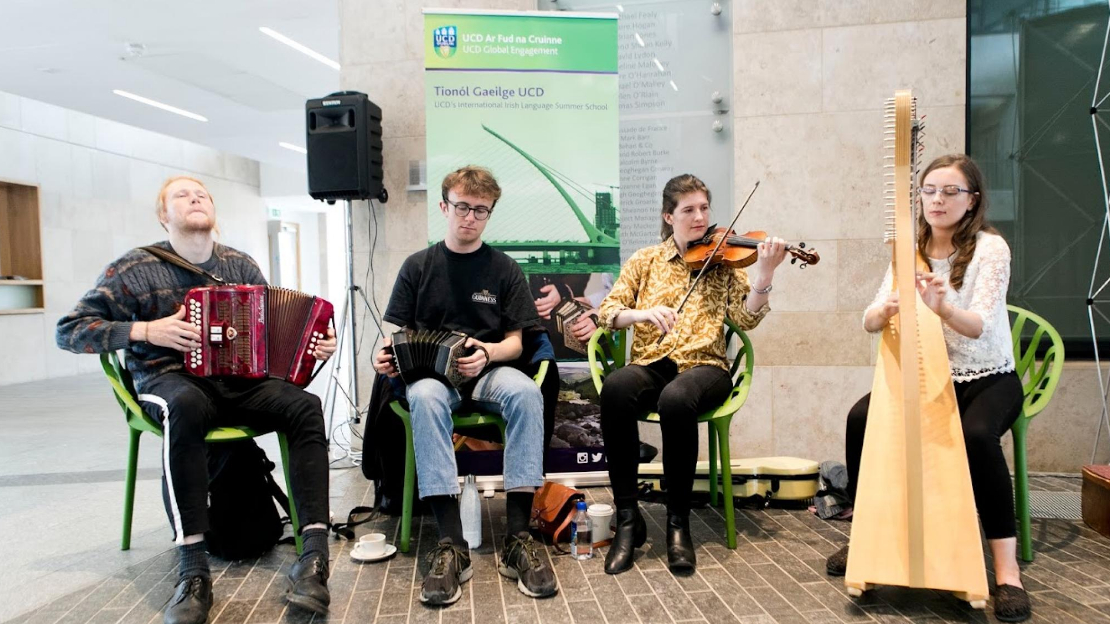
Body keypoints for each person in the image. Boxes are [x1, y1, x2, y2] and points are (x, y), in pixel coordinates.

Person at [56, 176, 337, 624]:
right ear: (163, 215)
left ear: (213, 212)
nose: (195, 198)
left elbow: (272, 336)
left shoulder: (239, 265)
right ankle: (192, 570)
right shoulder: (133, 269)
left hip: (238, 383)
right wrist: (148, 331)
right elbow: (69, 331)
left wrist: (313, 345)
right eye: (181, 195)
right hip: (169, 379)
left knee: (305, 405)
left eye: (202, 194)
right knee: (183, 407)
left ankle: (314, 558)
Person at [824, 154, 1030, 623]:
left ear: (972, 199)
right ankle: (864, 538)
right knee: (861, 417)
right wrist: (887, 309)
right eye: (929, 190)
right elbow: (869, 318)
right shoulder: (909, 248)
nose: (937, 200)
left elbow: (979, 325)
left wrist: (942, 307)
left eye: (950, 191)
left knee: (978, 436)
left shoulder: (989, 249)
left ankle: (1006, 571)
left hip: (988, 376)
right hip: (926, 375)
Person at [372, 165, 557, 605]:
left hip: (487, 371)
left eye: (480, 210)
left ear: (489, 214)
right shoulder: (418, 266)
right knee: (423, 396)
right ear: (444, 207)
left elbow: (517, 342)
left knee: (527, 393)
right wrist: (384, 356)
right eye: (462, 207)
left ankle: (517, 537)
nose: (470, 217)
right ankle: (451, 543)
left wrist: (488, 354)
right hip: (434, 376)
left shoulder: (503, 268)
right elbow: (392, 331)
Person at [596, 174, 787, 574]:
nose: (700, 217)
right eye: (689, 210)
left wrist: (765, 274)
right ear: (669, 217)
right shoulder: (645, 261)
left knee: (677, 400)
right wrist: (642, 313)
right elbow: (608, 311)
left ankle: (678, 522)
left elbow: (745, 318)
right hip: (653, 361)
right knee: (615, 388)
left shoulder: (724, 262)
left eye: (704, 208)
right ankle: (628, 518)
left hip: (706, 367)